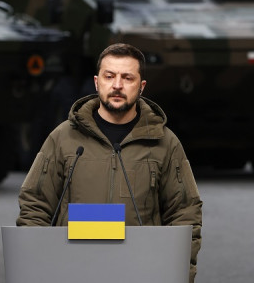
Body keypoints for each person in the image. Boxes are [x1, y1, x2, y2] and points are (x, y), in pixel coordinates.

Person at [17, 43, 203, 282]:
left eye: (127, 77)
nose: (117, 85)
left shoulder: (165, 143)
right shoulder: (63, 138)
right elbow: (35, 205)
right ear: (97, 82)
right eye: (109, 76)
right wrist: (39, 270)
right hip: (73, 272)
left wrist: (179, 274)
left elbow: (185, 213)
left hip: (141, 273)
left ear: (141, 86)